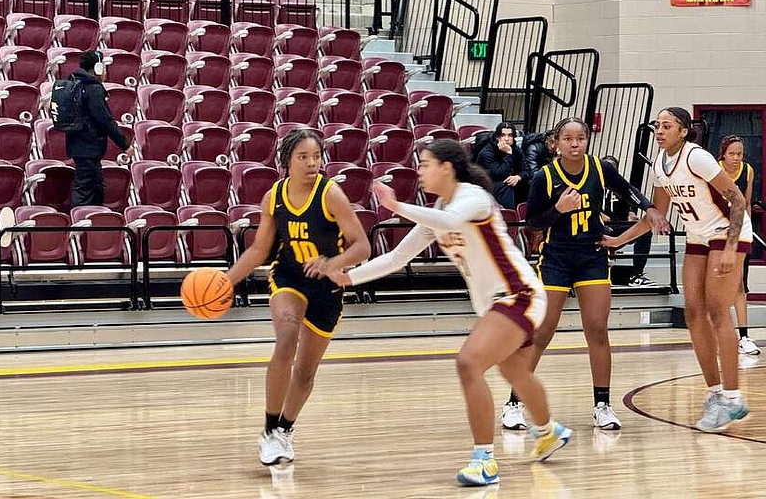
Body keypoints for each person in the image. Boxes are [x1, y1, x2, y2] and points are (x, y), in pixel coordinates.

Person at [327, 140, 572, 487]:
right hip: (498, 303)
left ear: (447, 167)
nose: (420, 171)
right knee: (514, 371)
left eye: (426, 164)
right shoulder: (438, 209)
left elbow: (451, 219)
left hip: (519, 294)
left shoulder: (472, 198)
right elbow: (398, 257)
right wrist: (348, 277)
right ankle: (550, 432)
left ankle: (484, 461)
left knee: (468, 362)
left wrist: (397, 205)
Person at [502, 117, 669, 433]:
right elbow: (534, 224)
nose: (575, 143)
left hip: (591, 255)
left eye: (580, 137)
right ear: (557, 142)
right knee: (542, 332)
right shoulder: (544, 177)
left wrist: (648, 206)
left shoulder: (599, 169)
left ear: (587, 141)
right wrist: (559, 211)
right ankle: (514, 403)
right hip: (555, 259)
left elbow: (627, 189)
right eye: (568, 138)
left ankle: (602, 406)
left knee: (597, 330)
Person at [223, 129, 370, 466]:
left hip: (327, 288)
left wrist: (332, 262)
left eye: (316, 156)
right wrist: (227, 280)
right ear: (287, 162)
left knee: (305, 372)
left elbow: (362, 245)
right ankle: (268, 429)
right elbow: (260, 249)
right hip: (289, 277)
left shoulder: (331, 194)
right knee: (286, 337)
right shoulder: (273, 198)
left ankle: (284, 430)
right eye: (303, 157)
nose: (311, 163)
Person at [602, 107, 752, 433]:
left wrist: (729, 247)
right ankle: (715, 394)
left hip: (729, 233)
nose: (659, 130)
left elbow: (738, 200)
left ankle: (733, 397)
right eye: (657, 125)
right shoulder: (659, 164)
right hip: (699, 235)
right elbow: (655, 217)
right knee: (693, 313)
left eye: (666, 125)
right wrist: (618, 241)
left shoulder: (696, 158)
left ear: (683, 131)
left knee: (716, 310)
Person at [66, 51, 133, 208]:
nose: (105, 71)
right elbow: (105, 120)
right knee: (85, 188)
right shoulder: (93, 88)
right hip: (88, 146)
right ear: (97, 68)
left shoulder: (76, 84)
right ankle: (79, 225)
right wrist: (124, 144)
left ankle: (91, 222)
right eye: (103, 67)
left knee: (96, 187)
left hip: (80, 146)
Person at [717, 135, 758, 355]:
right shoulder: (713, 169)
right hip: (716, 232)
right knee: (717, 285)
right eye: (731, 153)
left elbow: (747, 203)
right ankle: (719, 333)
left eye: (739, 153)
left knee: (739, 284)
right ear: (723, 153)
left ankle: (744, 337)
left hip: (740, 233)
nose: (735, 158)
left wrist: (747, 229)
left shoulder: (748, 171)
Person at [600, 155, 655, 287]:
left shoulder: (620, 186)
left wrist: (631, 213)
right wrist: (598, 214)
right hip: (597, 227)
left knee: (645, 232)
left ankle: (637, 275)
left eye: (612, 169)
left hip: (617, 227)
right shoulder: (592, 184)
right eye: (606, 168)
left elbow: (631, 201)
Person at [475, 122, 530, 209]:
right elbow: (499, 174)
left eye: (510, 135)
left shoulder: (516, 149)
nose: (506, 139)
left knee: (529, 183)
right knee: (506, 185)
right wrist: (508, 154)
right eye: (503, 135)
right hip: (486, 185)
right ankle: (509, 215)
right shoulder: (487, 152)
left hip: (503, 184)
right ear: (497, 137)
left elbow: (526, 171)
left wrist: (518, 177)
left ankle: (526, 215)